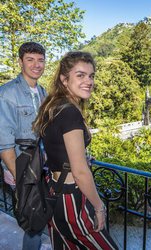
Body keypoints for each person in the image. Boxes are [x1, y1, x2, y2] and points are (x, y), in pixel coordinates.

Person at [33, 51, 118, 249]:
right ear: (64, 79)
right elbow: (80, 172)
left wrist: (79, 156)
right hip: (71, 199)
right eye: (80, 75)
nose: (88, 81)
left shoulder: (53, 106)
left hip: (54, 191)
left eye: (91, 75)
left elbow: (56, 148)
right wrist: (99, 207)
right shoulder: (70, 112)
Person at [0, 42, 47, 249]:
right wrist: (19, 177)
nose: (36, 65)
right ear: (20, 62)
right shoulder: (7, 93)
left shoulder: (43, 92)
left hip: (41, 168)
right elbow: (4, 143)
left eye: (40, 60)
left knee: (42, 217)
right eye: (30, 59)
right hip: (22, 171)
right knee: (33, 225)